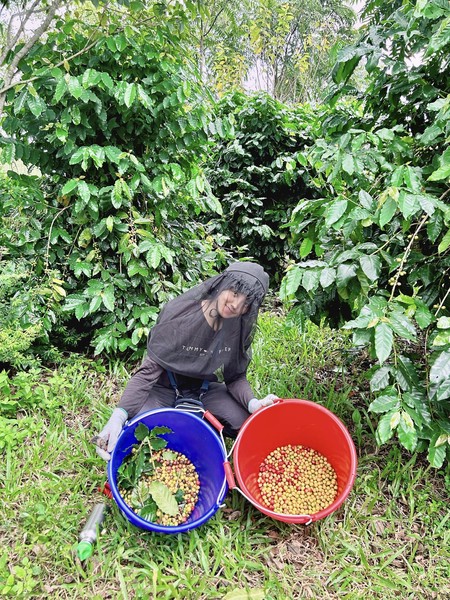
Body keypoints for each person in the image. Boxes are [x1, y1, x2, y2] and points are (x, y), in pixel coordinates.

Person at [94, 261, 278, 460]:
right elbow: (148, 372)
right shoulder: (180, 315)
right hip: (164, 388)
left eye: (246, 302)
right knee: (132, 431)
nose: (236, 304)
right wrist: (119, 415)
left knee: (247, 424)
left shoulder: (236, 328)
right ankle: (181, 423)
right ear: (222, 284)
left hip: (204, 390)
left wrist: (253, 404)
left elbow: (235, 377)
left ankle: (201, 424)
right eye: (234, 293)